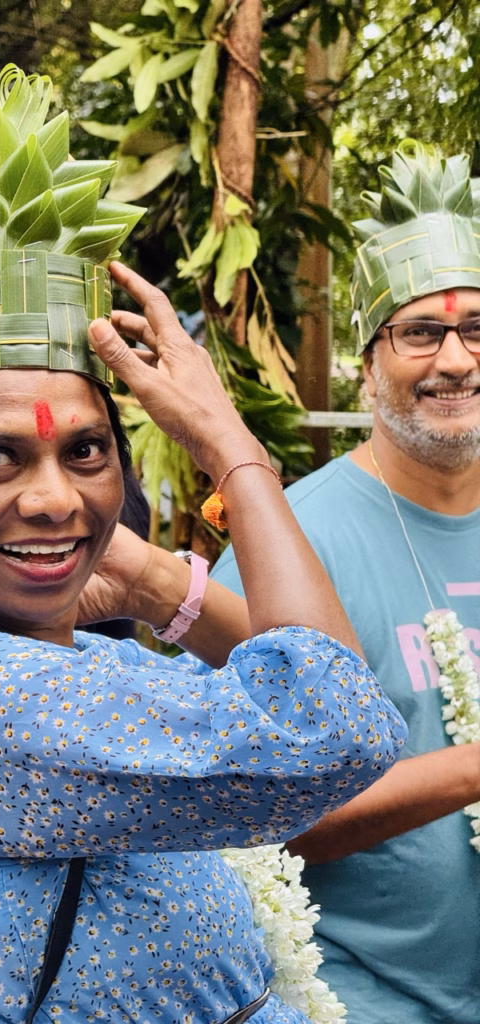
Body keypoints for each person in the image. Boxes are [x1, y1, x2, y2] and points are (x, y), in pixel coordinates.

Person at [0, 125, 404, 1018]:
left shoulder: (46, 662)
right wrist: (232, 451)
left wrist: (155, 583)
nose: (56, 499)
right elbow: (335, 725)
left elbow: (311, 704)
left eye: (86, 451)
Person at [213, 140, 480, 1024]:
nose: (456, 359)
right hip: (360, 1003)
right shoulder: (291, 542)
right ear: (368, 363)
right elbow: (247, 812)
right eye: (421, 333)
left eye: (477, 329)